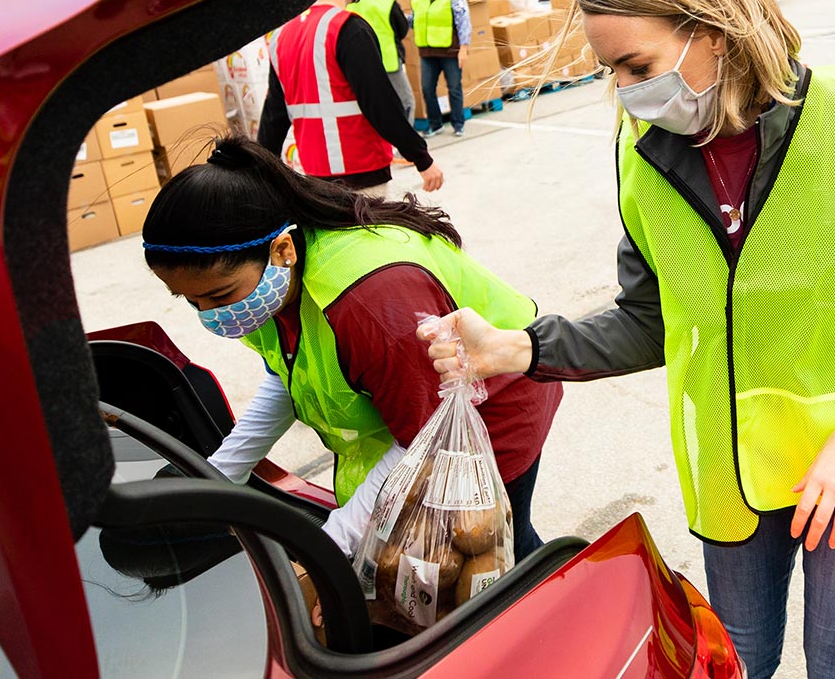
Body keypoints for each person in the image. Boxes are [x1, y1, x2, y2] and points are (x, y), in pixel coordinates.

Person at [422, 0, 835, 677]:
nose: (624, 93)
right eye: (610, 72)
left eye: (635, 64)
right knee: (733, 660)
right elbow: (651, 317)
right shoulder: (644, 159)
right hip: (730, 474)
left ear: (712, 32)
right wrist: (521, 348)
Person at [140, 135, 563, 565]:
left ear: (282, 249)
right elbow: (289, 375)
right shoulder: (273, 285)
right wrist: (224, 471)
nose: (210, 313)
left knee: (494, 552)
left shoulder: (370, 304)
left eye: (219, 294)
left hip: (489, 411)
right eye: (190, 300)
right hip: (420, 414)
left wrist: (333, 545)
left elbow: (424, 442)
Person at [259, 0, 442, 196]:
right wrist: (422, 158)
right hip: (362, 173)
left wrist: (261, 175)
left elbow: (273, 118)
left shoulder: (282, 36)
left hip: (315, 176)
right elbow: (380, 103)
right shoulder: (348, 28)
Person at [347, 0, 415, 128]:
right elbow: (403, 28)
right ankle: (405, 142)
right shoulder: (388, 1)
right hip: (390, 60)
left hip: (364, 64)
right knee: (406, 101)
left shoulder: (350, 5)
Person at [411, 0, 471, 138]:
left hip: (449, 50)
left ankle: (458, 123)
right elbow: (414, 20)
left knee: (453, 87)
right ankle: (435, 124)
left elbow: (463, 22)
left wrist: (464, 48)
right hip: (427, 51)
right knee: (427, 89)